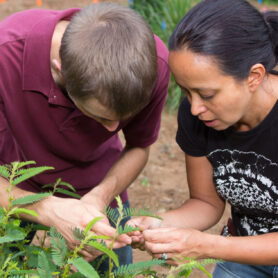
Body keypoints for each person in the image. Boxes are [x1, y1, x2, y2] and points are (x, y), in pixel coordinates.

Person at [0, 2, 169, 268]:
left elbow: (138, 147)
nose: (113, 130)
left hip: (97, 192)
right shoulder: (6, 53)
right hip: (12, 189)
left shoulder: (150, 63)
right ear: (60, 70)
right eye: (100, 116)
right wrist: (46, 209)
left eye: (120, 119)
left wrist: (99, 198)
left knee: (114, 269)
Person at [128, 0, 278, 277]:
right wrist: (158, 223)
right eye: (186, 92)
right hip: (246, 254)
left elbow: (211, 246)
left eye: (207, 95)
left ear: (254, 77)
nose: (194, 108)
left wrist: (208, 245)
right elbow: (206, 203)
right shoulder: (198, 114)